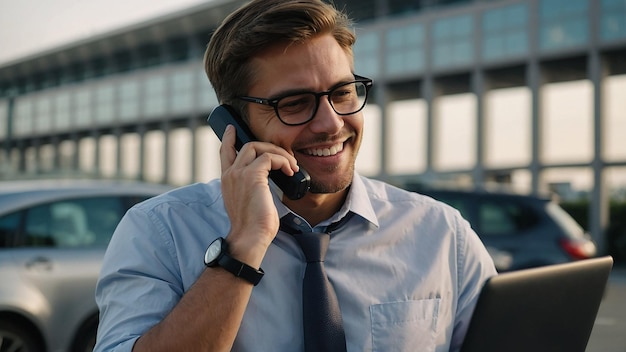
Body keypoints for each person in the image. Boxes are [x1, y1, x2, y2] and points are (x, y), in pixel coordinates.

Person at [94, 0, 497, 351]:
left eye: (342, 93)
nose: (329, 123)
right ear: (235, 124)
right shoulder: (158, 232)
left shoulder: (442, 235)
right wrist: (243, 246)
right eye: (295, 103)